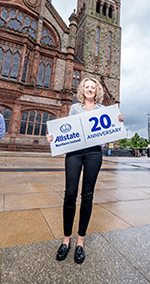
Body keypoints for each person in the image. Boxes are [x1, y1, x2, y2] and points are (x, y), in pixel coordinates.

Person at [47, 78, 124, 263]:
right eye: (87, 87)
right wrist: (53, 137)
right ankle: (66, 239)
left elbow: (113, 128)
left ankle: (80, 241)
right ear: (83, 90)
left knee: (87, 195)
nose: (90, 90)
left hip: (94, 153)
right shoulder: (74, 108)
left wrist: (119, 119)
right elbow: (66, 129)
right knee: (70, 194)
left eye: (93, 87)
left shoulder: (103, 111)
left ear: (97, 91)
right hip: (74, 153)